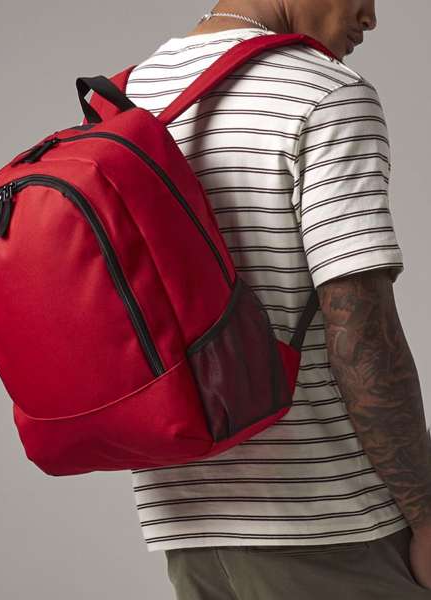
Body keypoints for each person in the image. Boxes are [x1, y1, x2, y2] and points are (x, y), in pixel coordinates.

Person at [121, 1, 431, 597]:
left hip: (187, 524)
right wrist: (426, 514)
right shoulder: (327, 92)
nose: (370, 16)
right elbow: (361, 332)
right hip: (334, 525)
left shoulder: (131, 95)